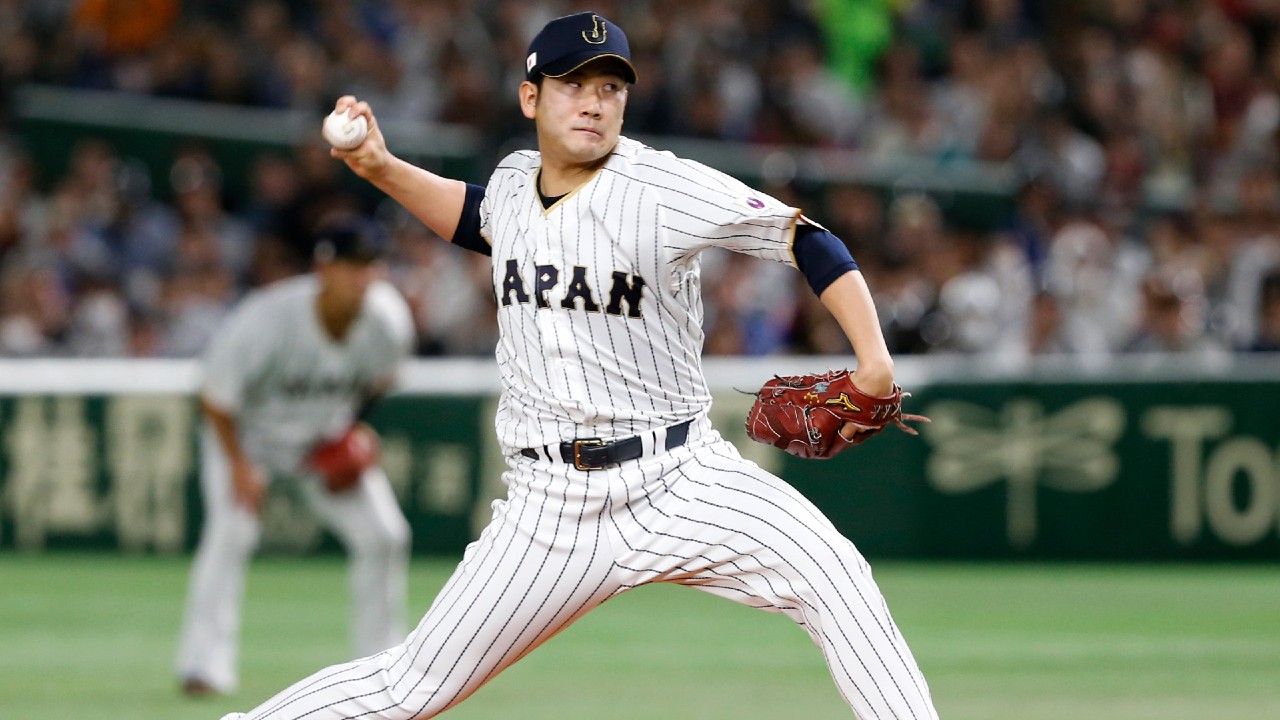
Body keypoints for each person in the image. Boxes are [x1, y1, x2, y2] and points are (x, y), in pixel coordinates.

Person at [220, 11, 938, 720]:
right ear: (531, 97)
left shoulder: (660, 188)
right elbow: (478, 218)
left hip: (680, 478)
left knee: (835, 577)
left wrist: (873, 363)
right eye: (573, 83)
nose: (594, 101)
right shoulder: (512, 181)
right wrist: (378, 166)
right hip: (549, 507)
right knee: (410, 687)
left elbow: (805, 238)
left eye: (611, 87)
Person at [178, 219, 414, 697]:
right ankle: (204, 666)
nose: (361, 278)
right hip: (248, 440)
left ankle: (382, 666)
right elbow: (215, 397)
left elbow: (382, 379)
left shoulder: (388, 322)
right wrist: (240, 466)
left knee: (386, 534)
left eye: (370, 266)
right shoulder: (269, 317)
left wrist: (355, 427)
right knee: (231, 533)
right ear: (323, 269)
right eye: (350, 266)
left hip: (318, 441)